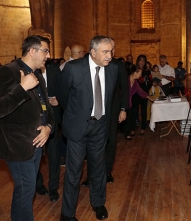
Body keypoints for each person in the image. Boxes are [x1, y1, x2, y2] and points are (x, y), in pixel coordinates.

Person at [57, 36, 118, 221]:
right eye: (105, 52)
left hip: (100, 126)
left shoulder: (113, 69)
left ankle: (98, 203)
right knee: (74, 172)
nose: (110, 55)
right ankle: (67, 214)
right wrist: (77, 115)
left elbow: (109, 97)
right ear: (93, 52)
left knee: (98, 168)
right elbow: (63, 96)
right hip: (78, 127)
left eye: (112, 51)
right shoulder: (73, 68)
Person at [0, 35, 54, 221]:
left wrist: (48, 127)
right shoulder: (8, 72)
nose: (48, 55)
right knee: (26, 190)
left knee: (26, 190)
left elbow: (47, 109)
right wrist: (22, 89)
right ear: (32, 51)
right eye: (45, 51)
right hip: (18, 146)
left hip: (37, 144)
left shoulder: (39, 76)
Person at [81, 38, 129, 187]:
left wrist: (123, 109)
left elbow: (125, 88)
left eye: (112, 49)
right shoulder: (88, 64)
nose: (111, 52)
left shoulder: (117, 66)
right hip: (93, 112)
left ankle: (107, 172)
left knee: (110, 142)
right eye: (107, 49)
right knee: (92, 145)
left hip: (112, 111)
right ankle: (91, 175)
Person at [35, 59, 63, 202]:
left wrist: (59, 100)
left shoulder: (54, 69)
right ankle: (38, 184)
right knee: (36, 157)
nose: (47, 55)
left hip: (52, 119)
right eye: (45, 51)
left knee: (53, 156)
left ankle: (53, 188)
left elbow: (63, 89)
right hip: (34, 122)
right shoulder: (28, 72)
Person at [124, 65, 154, 140]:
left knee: (129, 118)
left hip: (129, 102)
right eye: (139, 73)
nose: (140, 75)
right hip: (122, 101)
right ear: (135, 72)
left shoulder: (135, 82)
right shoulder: (125, 79)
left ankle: (127, 133)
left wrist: (148, 97)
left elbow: (140, 91)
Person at [132, 54, 151, 136]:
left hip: (145, 93)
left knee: (144, 112)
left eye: (143, 60)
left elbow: (150, 81)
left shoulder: (147, 71)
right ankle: (132, 128)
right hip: (135, 93)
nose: (142, 62)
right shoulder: (134, 69)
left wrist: (147, 89)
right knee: (134, 112)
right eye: (140, 60)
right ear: (138, 61)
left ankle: (143, 128)